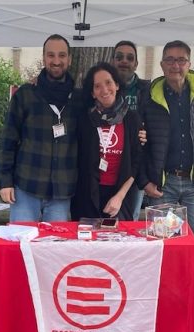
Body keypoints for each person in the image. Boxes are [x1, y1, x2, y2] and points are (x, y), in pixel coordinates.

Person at [141, 40, 194, 272]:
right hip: (162, 185)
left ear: (189, 64)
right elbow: (139, 146)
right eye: (169, 59)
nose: (175, 65)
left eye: (180, 60)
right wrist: (145, 181)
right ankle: (166, 293)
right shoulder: (149, 98)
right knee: (162, 243)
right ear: (161, 64)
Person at [0, 34, 81, 222]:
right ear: (43, 58)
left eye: (62, 55)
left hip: (62, 192)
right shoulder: (26, 95)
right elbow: (7, 140)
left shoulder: (79, 99)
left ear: (70, 59)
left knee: (55, 251)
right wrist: (5, 181)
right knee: (20, 247)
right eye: (51, 55)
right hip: (26, 188)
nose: (56, 61)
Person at [71, 63, 141, 220]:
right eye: (97, 86)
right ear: (93, 93)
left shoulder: (131, 118)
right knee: (88, 243)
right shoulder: (84, 119)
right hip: (87, 197)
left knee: (118, 243)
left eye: (108, 82)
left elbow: (136, 162)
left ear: (116, 85)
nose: (104, 90)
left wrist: (120, 196)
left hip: (119, 196)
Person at [111, 40, 151, 221]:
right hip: (108, 160)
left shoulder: (148, 89)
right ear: (113, 61)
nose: (124, 61)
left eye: (129, 58)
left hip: (135, 163)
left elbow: (158, 120)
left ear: (136, 63)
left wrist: (147, 133)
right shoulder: (104, 86)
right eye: (119, 57)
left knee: (130, 219)